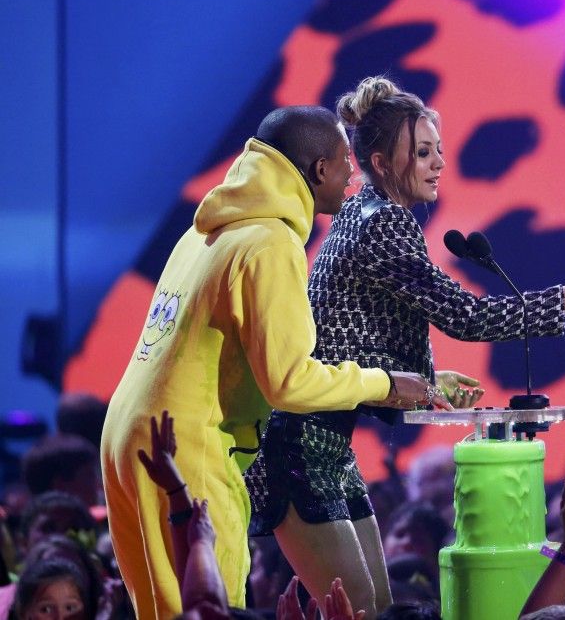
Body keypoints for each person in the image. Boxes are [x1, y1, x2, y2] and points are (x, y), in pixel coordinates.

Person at [244, 76, 565, 619]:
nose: (438, 164)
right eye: (423, 152)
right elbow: (469, 316)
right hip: (298, 447)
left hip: (328, 446)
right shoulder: (382, 223)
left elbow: (347, 337)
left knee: (376, 610)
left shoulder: (365, 214)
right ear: (383, 163)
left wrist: (432, 385)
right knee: (362, 612)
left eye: (440, 150)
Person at [100, 105, 446, 620]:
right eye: (343, 161)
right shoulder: (271, 242)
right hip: (186, 445)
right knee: (209, 608)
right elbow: (288, 383)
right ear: (319, 170)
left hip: (128, 439)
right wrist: (382, 383)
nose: (353, 173)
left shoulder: (207, 230)